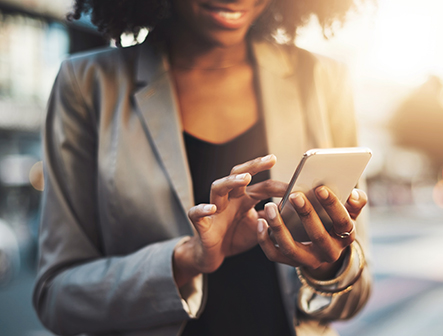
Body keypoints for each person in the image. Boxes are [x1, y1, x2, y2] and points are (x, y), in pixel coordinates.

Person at [33, 0, 372, 335]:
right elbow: (56, 298)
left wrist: (330, 268)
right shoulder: (87, 83)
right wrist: (186, 260)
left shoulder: (323, 79)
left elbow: (355, 294)